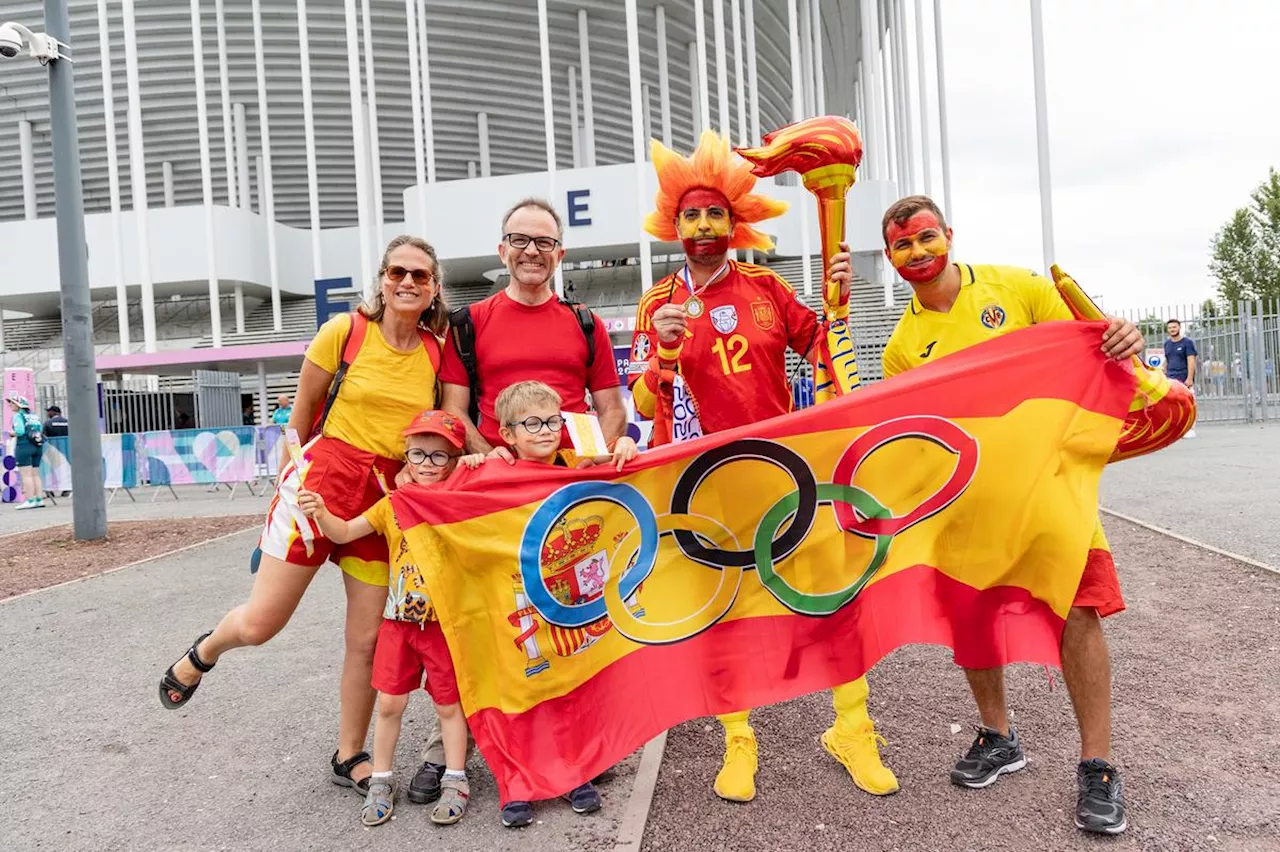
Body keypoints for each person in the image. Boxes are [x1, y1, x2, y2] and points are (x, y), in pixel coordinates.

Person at [629, 129, 898, 804]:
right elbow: (640, 401)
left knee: (829, 595)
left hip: (784, 473)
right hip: (702, 487)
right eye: (690, 214)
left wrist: (839, 301)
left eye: (714, 212)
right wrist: (661, 356)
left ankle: (853, 730)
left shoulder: (769, 288)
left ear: (734, 221)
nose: (702, 224)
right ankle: (739, 739)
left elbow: (824, 346)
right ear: (674, 224)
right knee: (726, 612)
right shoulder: (655, 301)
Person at [879, 194, 1144, 835]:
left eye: (925, 238)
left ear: (949, 235)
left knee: (1077, 613)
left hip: (1052, 490)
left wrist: (1121, 336)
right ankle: (999, 737)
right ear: (889, 258)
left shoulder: (1018, 289)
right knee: (972, 622)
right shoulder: (902, 347)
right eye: (902, 246)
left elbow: (1095, 345)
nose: (917, 253)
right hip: (969, 508)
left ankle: (1098, 765)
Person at [158, 235, 448, 800]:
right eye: (398, 272)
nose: (408, 283)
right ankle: (203, 653)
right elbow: (299, 419)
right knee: (262, 623)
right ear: (382, 280)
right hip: (323, 482)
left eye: (420, 275)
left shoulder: (436, 352)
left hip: (383, 496)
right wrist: (287, 492)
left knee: (365, 639)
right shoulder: (345, 332)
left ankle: (350, 753)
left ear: (434, 288)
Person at [410, 198, 629, 809]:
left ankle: (579, 745)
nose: (532, 251)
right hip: (496, 492)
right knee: (483, 615)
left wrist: (603, 449)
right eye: (519, 240)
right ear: (502, 249)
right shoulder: (471, 323)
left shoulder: (585, 323)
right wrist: (498, 457)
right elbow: (455, 409)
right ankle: (448, 744)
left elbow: (610, 403)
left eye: (544, 242)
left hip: (567, 492)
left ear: (560, 252)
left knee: (565, 617)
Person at [297, 410, 485, 827]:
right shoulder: (393, 504)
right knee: (389, 706)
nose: (426, 464)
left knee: (450, 706)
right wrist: (321, 510)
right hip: (399, 624)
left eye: (439, 456)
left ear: (454, 460)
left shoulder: (461, 495)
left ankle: (456, 780)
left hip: (443, 626)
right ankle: (380, 781)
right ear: (406, 455)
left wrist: (477, 461)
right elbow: (345, 533)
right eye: (417, 453)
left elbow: (491, 476)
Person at [482, 380, 635, 827]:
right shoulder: (493, 473)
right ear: (507, 434)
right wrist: (471, 459)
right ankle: (518, 783)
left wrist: (625, 441)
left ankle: (576, 772)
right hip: (515, 607)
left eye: (552, 421)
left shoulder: (576, 462)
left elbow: (624, 462)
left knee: (569, 688)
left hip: (563, 604)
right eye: (532, 423)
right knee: (522, 694)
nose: (546, 430)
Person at [6, 393, 46, 510]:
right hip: (37, 446)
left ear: (19, 405)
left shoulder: (18, 416)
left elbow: (19, 431)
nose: (10, 405)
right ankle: (39, 499)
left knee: (26, 475)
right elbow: (40, 430)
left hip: (24, 446)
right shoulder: (34, 416)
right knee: (35, 474)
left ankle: (30, 500)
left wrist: (10, 433)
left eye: (12, 403)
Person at [1163, 319, 1198, 438]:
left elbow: (1191, 360)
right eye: (1170, 328)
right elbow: (1167, 360)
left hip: (1184, 378)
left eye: (1174, 327)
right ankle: (1176, 429)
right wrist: (1163, 373)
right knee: (1172, 405)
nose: (1172, 329)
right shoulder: (1167, 344)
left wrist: (1190, 378)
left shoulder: (1187, 343)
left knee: (1189, 403)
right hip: (1170, 379)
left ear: (1179, 328)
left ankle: (1190, 429)